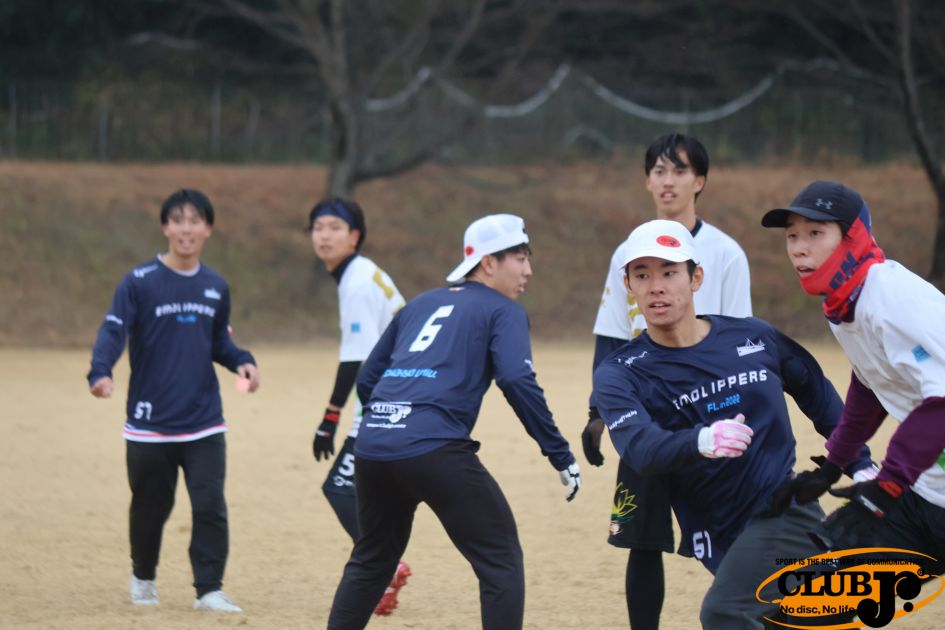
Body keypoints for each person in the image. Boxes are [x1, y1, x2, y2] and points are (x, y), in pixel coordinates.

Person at [592, 219, 875, 629]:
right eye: (642, 275)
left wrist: (860, 463)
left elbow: (817, 394)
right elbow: (639, 447)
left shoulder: (754, 337)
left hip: (781, 511)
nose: (656, 287)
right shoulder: (621, 372)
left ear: (696, 278)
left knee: (725, 613)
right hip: (716, 528)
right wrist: (700, 440)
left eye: (669, 273)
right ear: (628, 286)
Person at [326, 214, 581, 630]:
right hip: (435, 448)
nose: (528, 270)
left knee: (372, 560)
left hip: (374, 446)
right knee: (500, 560)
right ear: (488, 263)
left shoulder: (420, 304)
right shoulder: (504, 310)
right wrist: (559, 452)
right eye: (520, 258)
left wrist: (393, 422)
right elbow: (516, 379)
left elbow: (369, 378)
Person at [582, 133, 752, 629]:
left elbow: (743, 337)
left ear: (700, 181)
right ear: (647, 181)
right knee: (643, 539)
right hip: (646, 414)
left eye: (680, 171)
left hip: (711, 410)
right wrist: (597, 413)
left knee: (735, 534)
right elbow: (613, 334)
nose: (668, 181)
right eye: (659, 171)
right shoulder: (626, 253)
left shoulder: (725, 253)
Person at [87, 189, 260, 613]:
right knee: (151, 508)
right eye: (178, 220)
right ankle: (143, 577)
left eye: (195, 220)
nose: (186, 228)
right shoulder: (139, 281)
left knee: (210, 505)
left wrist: (243, 361)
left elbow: (219, 341)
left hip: (204, 420)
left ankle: (209, 589)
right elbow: (114, 329)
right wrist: (100, 370)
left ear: (208, 229)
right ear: (165, 226)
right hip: (150, 423)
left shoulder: (215, 285)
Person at [760, 180, 945, 576]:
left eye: (815, 233)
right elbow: (871, 384)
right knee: (818, 592)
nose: (799, 248)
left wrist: (886, 486)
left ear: (854, 238)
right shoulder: (845, 305)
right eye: (792, 236)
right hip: (928, 494)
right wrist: (832, 466)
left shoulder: (893, 299)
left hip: (911, 488)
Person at [307, 197, 410, 616]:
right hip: (398, 389)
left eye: (335, 227)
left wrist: (330, 418)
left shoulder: (357, 282)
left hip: (389, 396)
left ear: (355, 236)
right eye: (318, 227)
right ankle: (384, 566)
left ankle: (385, 566)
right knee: (370, 489)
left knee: (339, 486)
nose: (324, 235)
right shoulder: (360, 274)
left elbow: (357, 360)